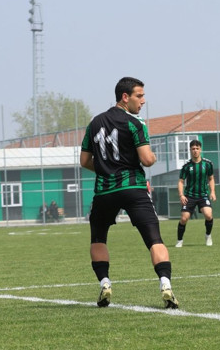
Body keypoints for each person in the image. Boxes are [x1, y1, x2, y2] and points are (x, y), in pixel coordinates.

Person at [80, 76, 179, 309]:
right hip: (133, 188)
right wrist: (153, 157)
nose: (143, 101)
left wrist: (105, 169)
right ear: (125, 97)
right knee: (155, 239)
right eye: (139, 95)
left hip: (104, 192)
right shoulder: (135, 123)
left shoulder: (94, 123)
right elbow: (146, 159)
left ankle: (105, 282)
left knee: (98, 238)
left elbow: (85, 160)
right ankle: (165, 283)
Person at [175, 140, 216, 248]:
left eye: (197, 148)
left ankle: (208, 236)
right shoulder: (186, 166)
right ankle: (179, 240)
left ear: (200, 149)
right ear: (190, 150)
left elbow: (211, 178)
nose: (195, 151)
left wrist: (212, 192)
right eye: (193, 149)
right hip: (189, 195)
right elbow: (180, 181)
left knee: (208, 214)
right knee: (184, 219)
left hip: (203, 195)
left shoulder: (207, 164)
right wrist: (181, 195)